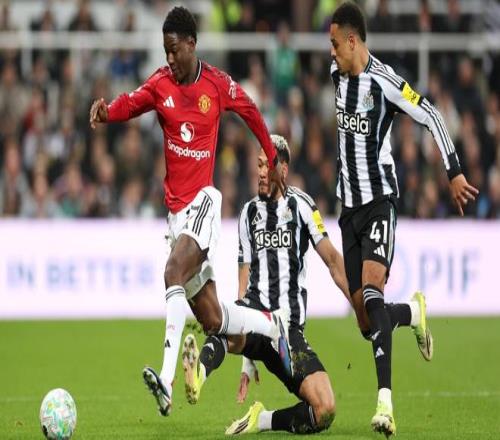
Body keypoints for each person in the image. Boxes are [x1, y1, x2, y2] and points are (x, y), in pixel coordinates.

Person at [89, 6, 291, 418]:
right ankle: (272, 325)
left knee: (171, 273)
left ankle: (165, 380)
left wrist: (271, 157)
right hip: (176, 216)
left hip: (204, 202)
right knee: (214, 319)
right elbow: (132, 103)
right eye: (165, 50)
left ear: (192, 44)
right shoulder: (160, 83)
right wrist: (108, 112)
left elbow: (251, 112)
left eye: (174, 49)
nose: (169, 58)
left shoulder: (216, 84)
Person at [329, 2, 479, 436]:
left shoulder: (386, 81)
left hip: (380, 202)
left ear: (353, 41)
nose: (331, 53)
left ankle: (385, 404)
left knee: (372, 292)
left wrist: (453, 172)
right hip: (348, 211)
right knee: (365, 320)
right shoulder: (336, 74)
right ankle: (413, 312)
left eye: (336, 44)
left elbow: (431, 114)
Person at [180, 135, 351, 435]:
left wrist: (360, 304)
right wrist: (247, 363)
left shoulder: (302, 206)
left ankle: (261, 420)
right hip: (255, 316)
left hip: (288, 332)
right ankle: (199, 374)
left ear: (282, 170)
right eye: (257, 165)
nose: (259, 172)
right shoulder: (248, 214)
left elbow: (334, 261)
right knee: (222, 326)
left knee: (324, 410)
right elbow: (243, 285)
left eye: (265, 165)